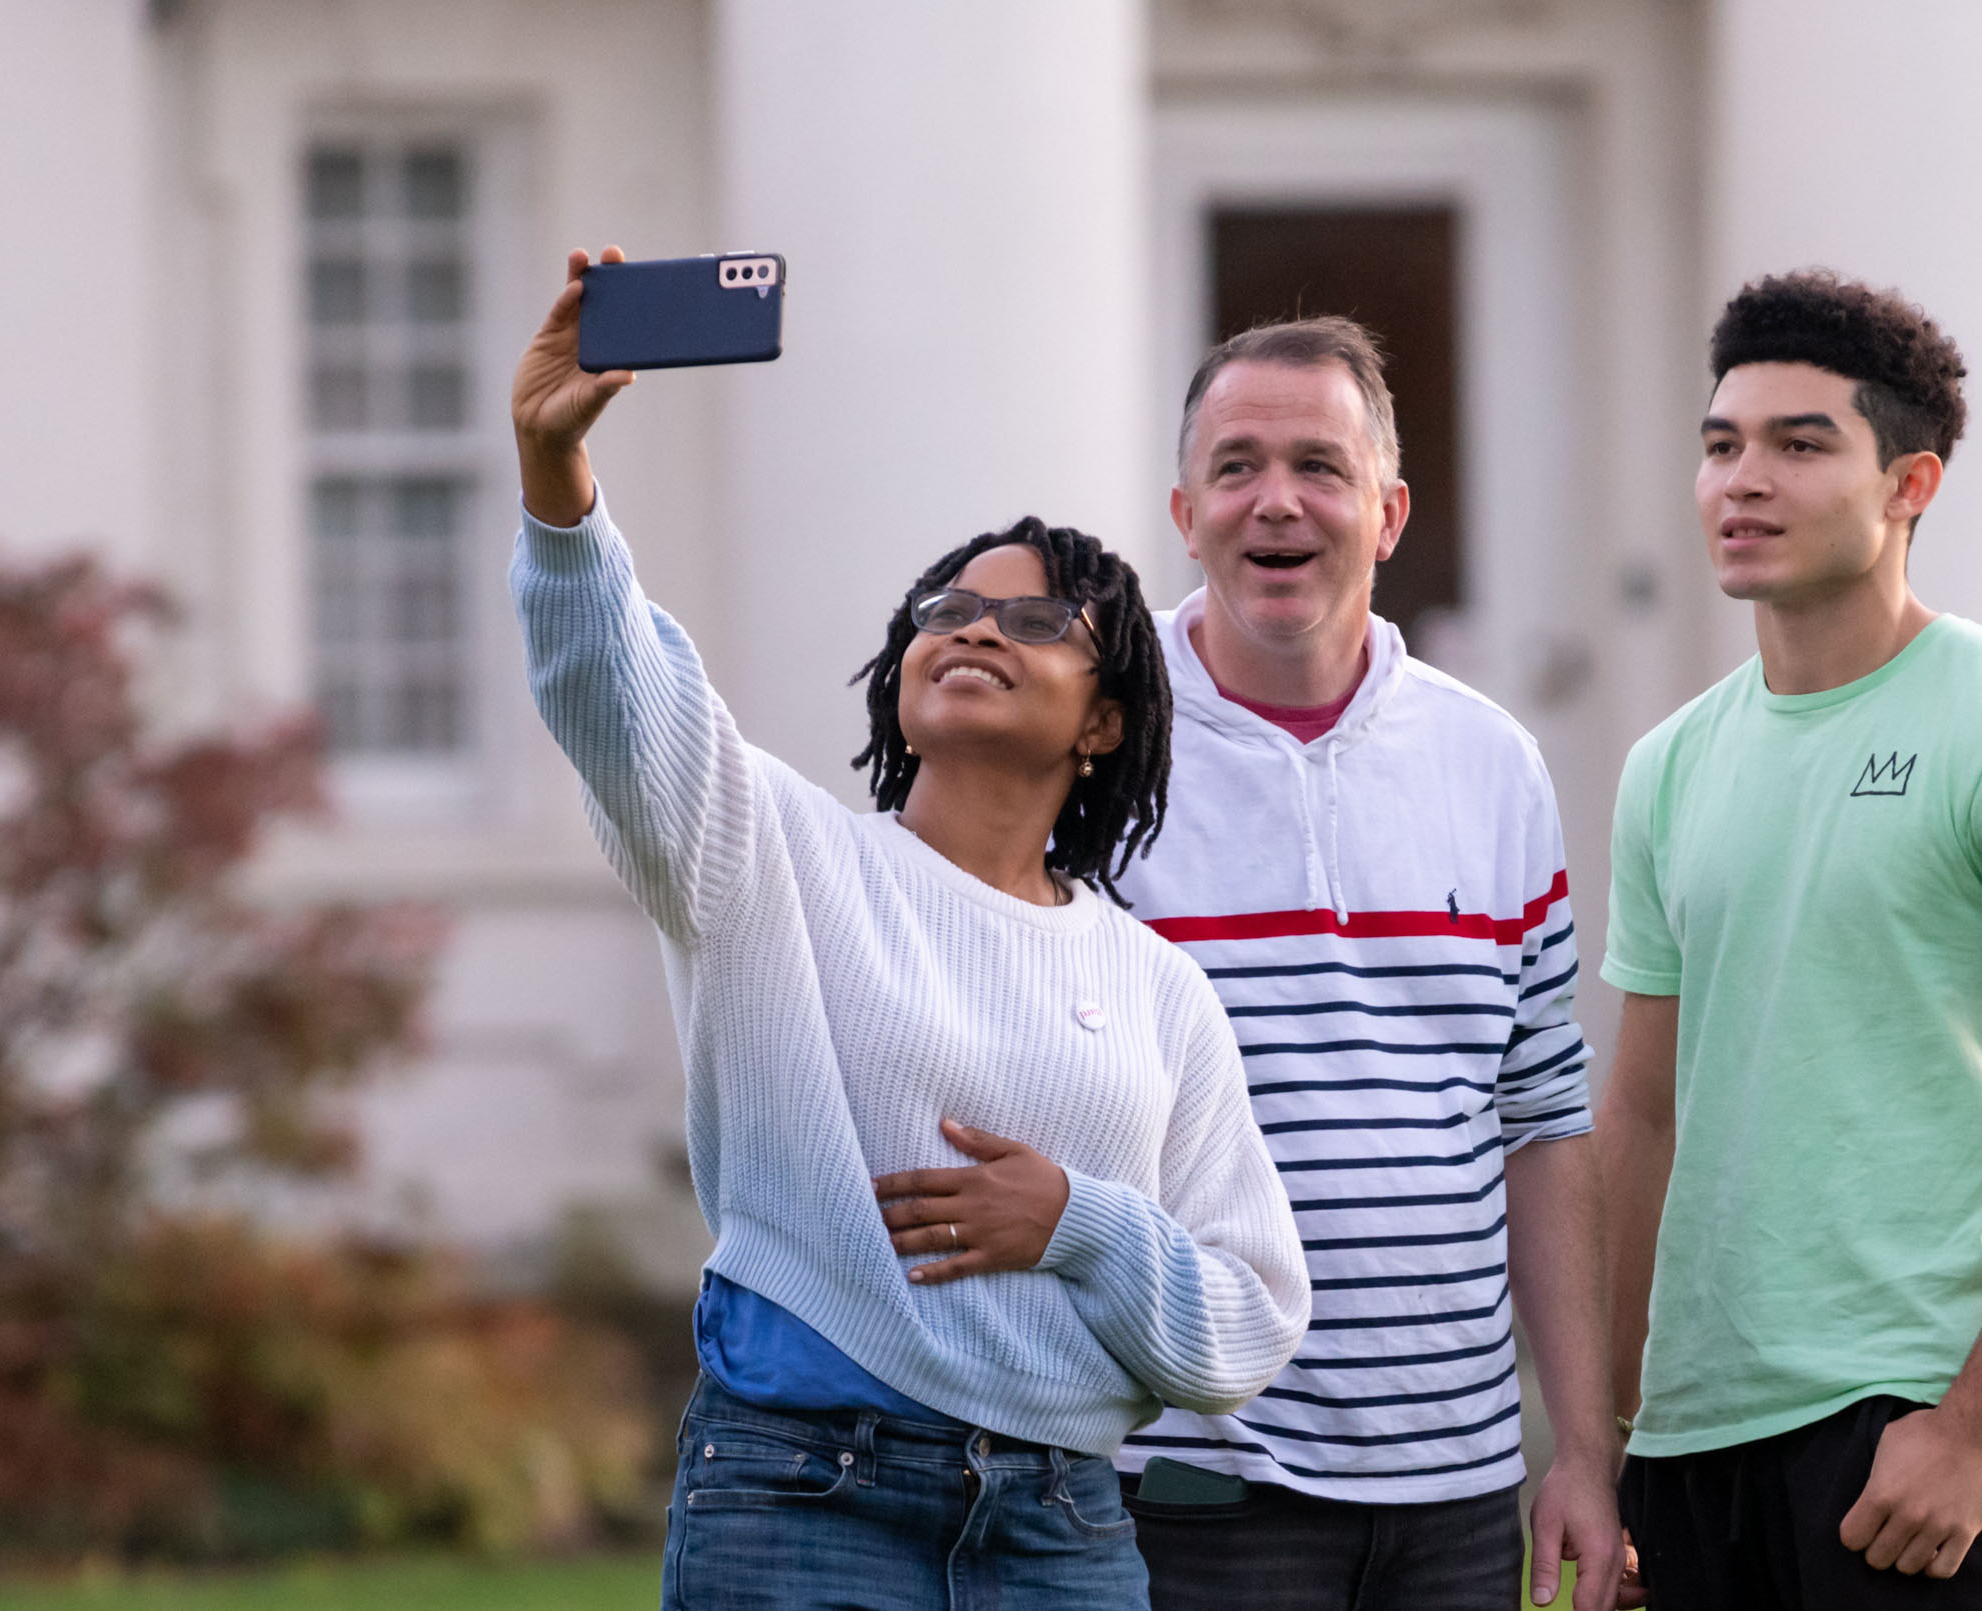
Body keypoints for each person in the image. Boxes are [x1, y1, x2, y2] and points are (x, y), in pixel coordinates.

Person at [509, 246, 1311, 1611]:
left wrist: (1078, 1224)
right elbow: (616, 693)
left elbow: (1244, 1320)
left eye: (1033, 619)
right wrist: (556, 482)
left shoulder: (1154, 983)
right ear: (899, 676)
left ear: (1104, 716)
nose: (973, 630)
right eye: (944, 611)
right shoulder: (769, 856)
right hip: (801, 1496)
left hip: (1060, 1531)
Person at [1596, 270, 1982, 1609]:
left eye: (1800, 445)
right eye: (1719, 444)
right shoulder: (1667, 766)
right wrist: (1617, 1440)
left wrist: (1975, 1426)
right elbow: (1637, 1117)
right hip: (1696, 1448)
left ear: (1908, 485)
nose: (1742, 480)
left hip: (1914, 1428)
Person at [1089, 317, 1624, 1611]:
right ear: (1184, 508)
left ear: (1386, 513)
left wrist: (1583, 1458)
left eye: (1319, 467)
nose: (1276, 500)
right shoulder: (1092, 755)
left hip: (1453, 1494)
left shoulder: (1490, 763)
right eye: (1236, 466)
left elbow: (1541, 1128)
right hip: (1194, 1483)